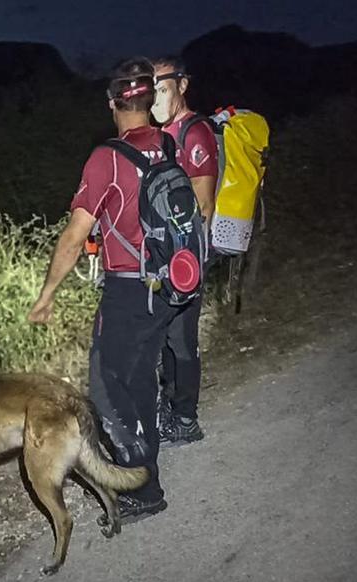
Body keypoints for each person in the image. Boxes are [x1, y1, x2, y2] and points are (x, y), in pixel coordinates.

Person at [28, 57, 179, 522]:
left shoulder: (106, 159)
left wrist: (47, 294)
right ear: (148, 99)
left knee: (107, 388)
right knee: (136, 381)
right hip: (168, 284)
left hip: (129, 291)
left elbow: (75, 236)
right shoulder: (168, 145)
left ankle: (143, 488)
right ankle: (145, 469)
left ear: (114, 102)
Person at [150, 58, 219, 446]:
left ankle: (186, 418)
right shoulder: (163, 135)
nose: (156, 98)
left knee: (181, 340)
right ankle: (170, 410)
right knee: (164, 339)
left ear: (182, 85)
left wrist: (185, 262)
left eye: (162, 88)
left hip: (186, 258)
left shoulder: (195, 133)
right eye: (151, 90)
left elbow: (203, 205)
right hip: (165, 258)